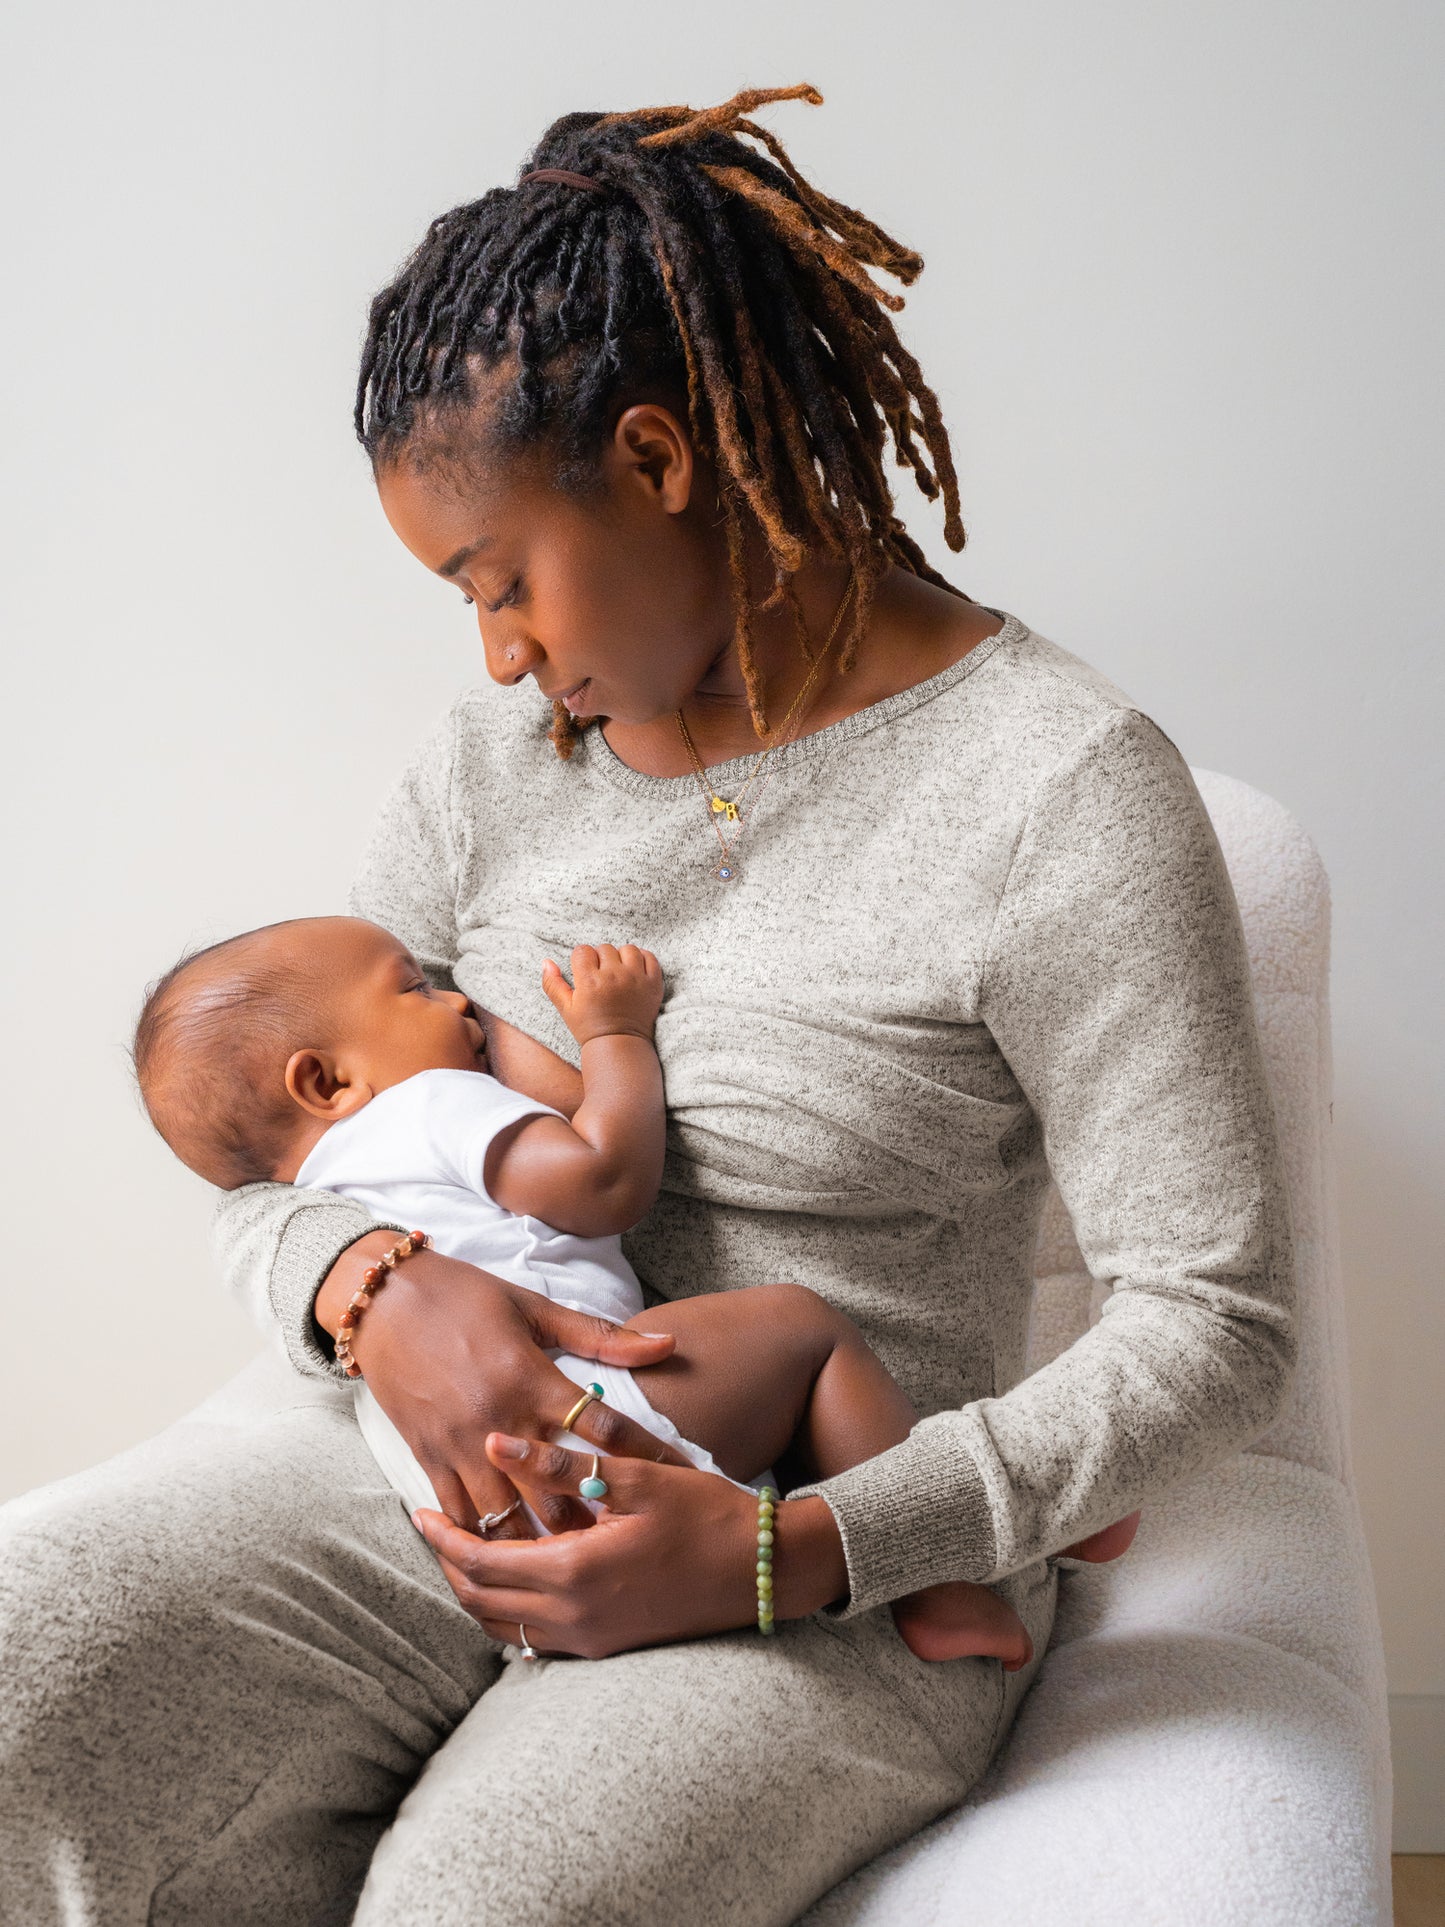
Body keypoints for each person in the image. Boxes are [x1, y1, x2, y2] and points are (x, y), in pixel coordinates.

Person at [0, 82, 1295, 1927]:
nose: (499, 651)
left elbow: (1217, 1321)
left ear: (661, 458)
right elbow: (278, 1151)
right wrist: (374, 1291)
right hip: (402, 1467)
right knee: (19, 1678)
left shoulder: (1060, 792)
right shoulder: (487, 764)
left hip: (814, 1548)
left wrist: (812, 1548)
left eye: (500, 578)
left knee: (486, 1903)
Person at [131, 912, 1142, 1672]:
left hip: (490, 1517)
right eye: (413, 989)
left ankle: (1005, 1521)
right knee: (801, 1328)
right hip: (596, 1417)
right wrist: (615, 1035)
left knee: (774, 1410)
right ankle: (943, 1579)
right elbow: (601, 1180)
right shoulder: (430, 1105)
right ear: (325, 1081)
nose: (455, 1005)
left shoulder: (325, 1197)